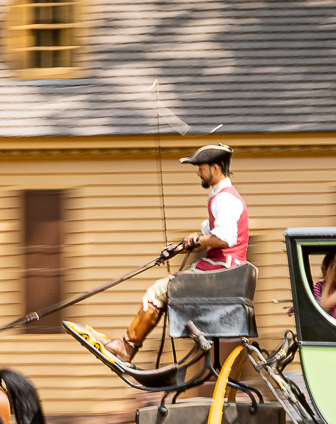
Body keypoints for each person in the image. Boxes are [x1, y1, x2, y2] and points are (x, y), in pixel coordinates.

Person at [72, 144, 248, 363]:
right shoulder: (222, 196)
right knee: (164, 289)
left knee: (157, 291)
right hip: (223, 273)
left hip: (221, 275)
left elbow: (224, 239)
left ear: (215, 167)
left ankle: (126, 347)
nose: (197, 172)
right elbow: (210, 237)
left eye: (200, 167)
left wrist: (198, 240)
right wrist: (180, 247)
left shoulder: (224, 198)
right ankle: (128, 345)